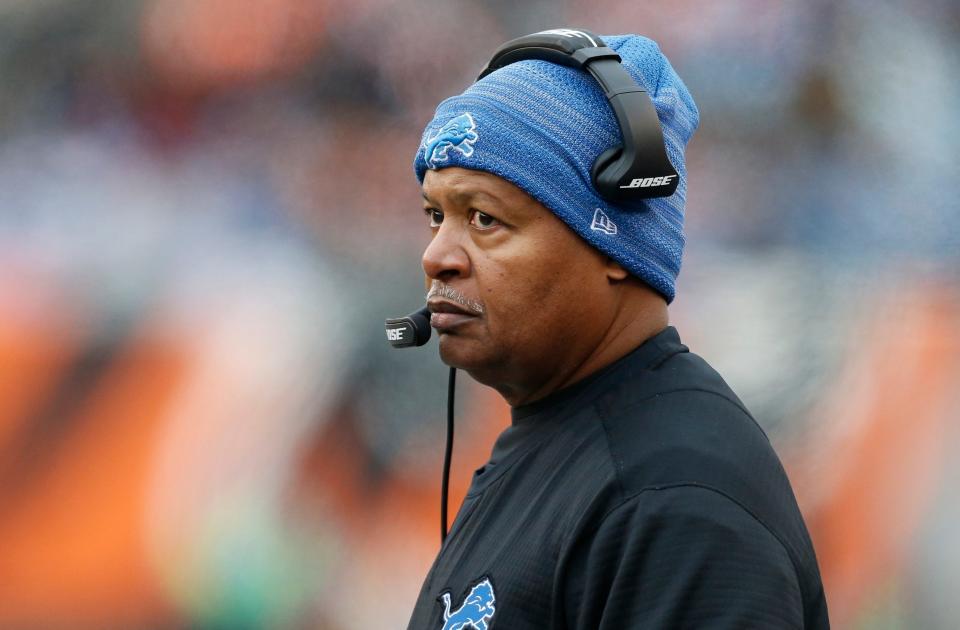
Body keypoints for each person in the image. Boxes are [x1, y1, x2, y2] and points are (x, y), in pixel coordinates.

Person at [405, 31, 829, 629]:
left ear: (612, 243)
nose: (437, 255)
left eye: (484, 218)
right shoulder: (563, 441)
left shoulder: (677, 504)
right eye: (435, 215)